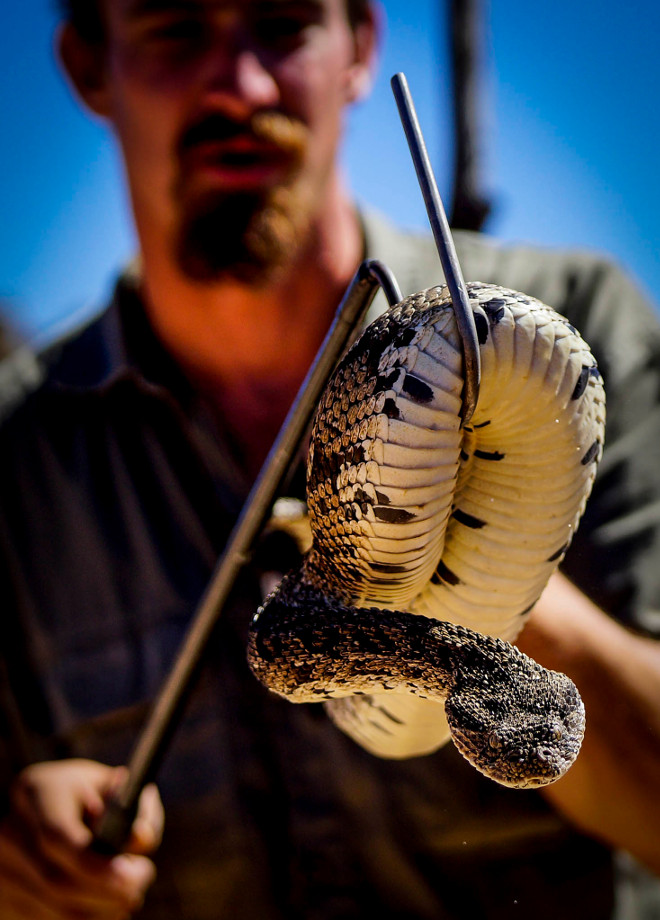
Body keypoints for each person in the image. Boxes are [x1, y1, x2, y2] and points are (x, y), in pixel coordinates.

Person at [1, 0, 659, 917]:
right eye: (175, 28)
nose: (242, 85)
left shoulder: (574, 325)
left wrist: (452, 545)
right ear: (87, 66)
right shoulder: (18, 460)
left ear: (360, 47)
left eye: (284, 23)